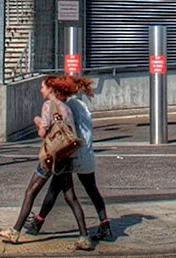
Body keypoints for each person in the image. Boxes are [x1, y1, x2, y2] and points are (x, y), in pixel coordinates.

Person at [0, 77, 93, 249]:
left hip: (52, 158)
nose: (40, 90)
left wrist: (37, 121)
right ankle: (84, 236)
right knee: (70, 197)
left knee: (30, 191)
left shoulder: (49, 106)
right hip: (66, 156)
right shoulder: (66, 107)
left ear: (50, 89)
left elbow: (43, 133)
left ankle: (15, 231)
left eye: (42, 87)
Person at [25, 75, 112, 243]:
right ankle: (104, 224)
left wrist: (39, 121)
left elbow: (63, 133)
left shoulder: (67, 106)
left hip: (71, 155)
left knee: (59, 191)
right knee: (90, 190)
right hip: (87, 154)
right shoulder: (81, 105)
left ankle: (41, 224)